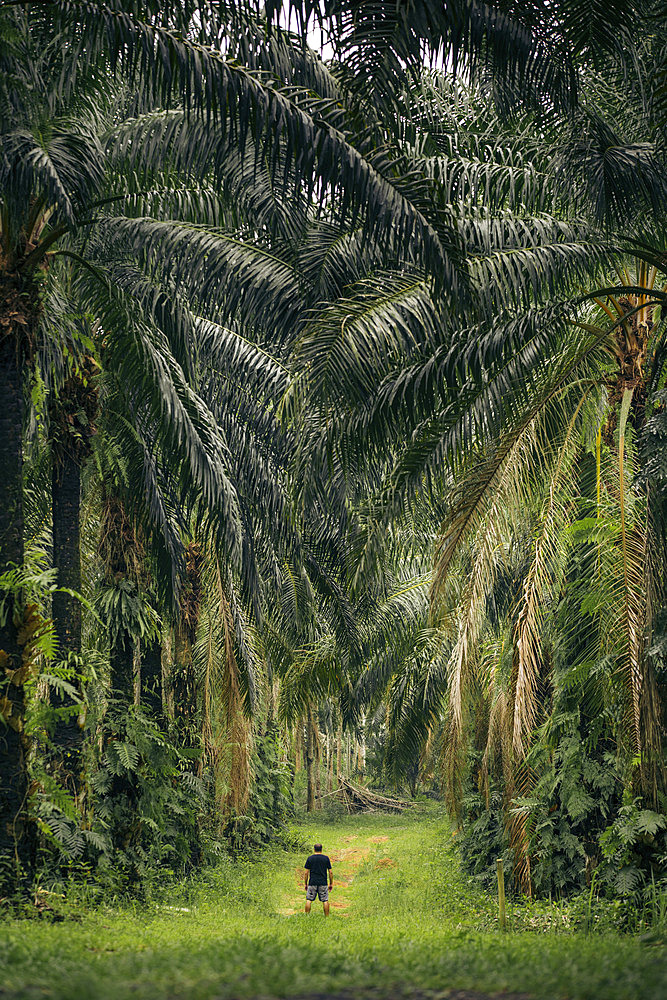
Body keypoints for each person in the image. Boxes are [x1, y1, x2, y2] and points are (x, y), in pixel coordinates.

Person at [304, 842, 333, 916]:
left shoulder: (310, 858)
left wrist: (305, 883)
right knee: (325, 900)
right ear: (321, 849)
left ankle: (306, 916)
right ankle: (327, 917)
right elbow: (330, 872)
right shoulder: (326, 858)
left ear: (314, 849)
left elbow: (306, 873)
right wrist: (331, 883)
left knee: (309, 900)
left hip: (312, 882)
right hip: (323, 882)